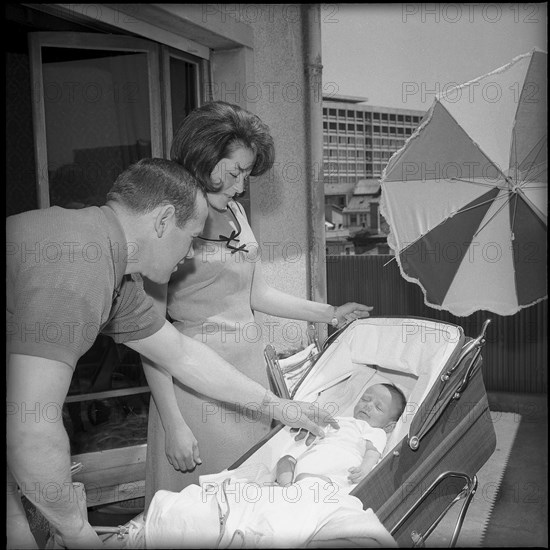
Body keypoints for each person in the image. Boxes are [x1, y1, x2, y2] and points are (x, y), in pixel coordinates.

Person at [6, 158, 337, 550]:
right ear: (163, 221)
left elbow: (183, 355)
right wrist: (76, 529)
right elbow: (32, 427)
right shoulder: (79, 266)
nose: (192, 253)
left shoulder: (112, 269)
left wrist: (280, 407)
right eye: (192, 237)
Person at [143, 101, 374, 507]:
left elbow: (258, 295)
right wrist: (172, 422)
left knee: (252, 502)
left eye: (247, 173)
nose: (242, 185)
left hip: (249, 375)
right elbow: (149, 334)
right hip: (194, 386)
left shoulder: (234, 212)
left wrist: (331, 313)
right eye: (235, 171)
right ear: (204, 157)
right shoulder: (171, 220)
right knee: (202, 508)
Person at [274, 383, 407, 490]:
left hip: (336, 467)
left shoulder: (376, 431)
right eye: (365, 399)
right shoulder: (338, 420)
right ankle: (287, 487)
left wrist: (364, 469)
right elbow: (316, 432)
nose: (368, 405)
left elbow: (373, 452)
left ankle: (301, 487)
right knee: (286, 460)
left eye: (378, 407)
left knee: (314, 481)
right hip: (310, 460)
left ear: (389, 426)